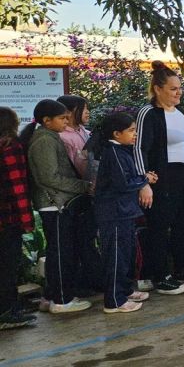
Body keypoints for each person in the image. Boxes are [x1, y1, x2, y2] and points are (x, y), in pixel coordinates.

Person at [135, 61, 184, 294]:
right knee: (160, 226)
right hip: (162, 177)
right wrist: (143, 181)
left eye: (180, 88)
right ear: (158, 89)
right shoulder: (149, 113)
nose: (178, 92)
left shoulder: (178, 112)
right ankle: (161, 276)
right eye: (173, 89)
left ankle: (183, 268)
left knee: (183, 222)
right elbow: (140, 147)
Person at [22, 99, 93, 313]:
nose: (66, 122)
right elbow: (49, 177)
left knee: (58, 251)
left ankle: (51, 296)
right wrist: (83, 186)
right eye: (62, 118)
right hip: (54, 204)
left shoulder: (49, 137)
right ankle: (62, 300)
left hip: (57, 203)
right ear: (46, 120)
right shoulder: (44, 140)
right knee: (61, 253)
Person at [90, 112, 155, 313]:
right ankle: (114, 300)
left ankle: (125, 290)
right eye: (131, 131)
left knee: (126, 253)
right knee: (116, 256)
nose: (135, 134)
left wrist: (143, 177)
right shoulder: (114, 153)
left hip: (124, 212)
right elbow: (123, 183)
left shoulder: (122, 151)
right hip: (114, 213)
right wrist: (144, 180)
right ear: (116, 134)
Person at [55, 95, 104, 298]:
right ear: (70, 112)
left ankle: (91, 280)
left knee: (88, 239)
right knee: (79, 241)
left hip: (91, 192)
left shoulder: (85, 131)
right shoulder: (63, 137)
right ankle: (82, 283)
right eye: (83, 109)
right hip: (76, 195)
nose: (87, 112)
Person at [0, 107, 37, 328]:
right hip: (9, 218)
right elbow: (18, 187)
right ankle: (8, 311)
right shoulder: (11, 147)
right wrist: (27, 220)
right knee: (8, 265)